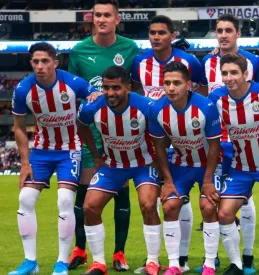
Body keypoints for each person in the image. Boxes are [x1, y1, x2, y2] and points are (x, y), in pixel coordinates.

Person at [9, 42, 99, 275]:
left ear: (55, 63)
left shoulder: (72, 83)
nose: (40, 66)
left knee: (65, 202)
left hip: (69, 150)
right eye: (36, 62)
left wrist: (95, 95)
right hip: (40, 152)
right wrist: (25, 163)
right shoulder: (22, 90)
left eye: (45, 61)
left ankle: (61, 262)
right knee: (25, 200)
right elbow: (18, 128)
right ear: (31, 64)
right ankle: (31, 262)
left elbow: (95, 96)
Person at [67, 0, 141, 271]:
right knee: (85, 193)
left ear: (117, 19)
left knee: (121, 189)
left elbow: (139, 86)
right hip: (90, 132)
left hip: (121, 132)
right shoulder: (79, 50)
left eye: (107, 15)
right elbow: (72, 91)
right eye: (97, 15)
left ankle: (119, 253)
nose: (101, 19)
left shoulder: (130, 49)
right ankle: (80, 248)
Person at [131, 15, 205, 273]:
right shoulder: (139, 62)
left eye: (161, 32)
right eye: (152, 32)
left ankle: (181, 259)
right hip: (152, 140)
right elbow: (135, 94)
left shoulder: (190, 62)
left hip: (186, 140)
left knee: (178, 200)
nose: (156, 37)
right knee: (156, 200)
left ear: (172, 35)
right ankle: (153, 258)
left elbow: (202, 95)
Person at [208, 53, 259, 275]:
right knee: (224, 214)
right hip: (240, 167)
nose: (229, 77)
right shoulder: (216, 98)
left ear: (246, 74)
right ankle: (236, 264)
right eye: (224, 73)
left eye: (234, 72)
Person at [200, 14, 259, 275]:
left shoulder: (254, 60)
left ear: (238, 33)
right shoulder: (205, 61)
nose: (224, 35)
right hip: (219, 142)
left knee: (245, 198)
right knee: (215, 202)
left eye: (229, 30)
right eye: (219, 30)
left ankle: (248, 257)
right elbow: (203, 97)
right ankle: (214, 257)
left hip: (246, 141)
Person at [77, 66, 161, 275]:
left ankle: (152, 261)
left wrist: (159, 163)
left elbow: (162, 133)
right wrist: (96, 155)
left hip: (144, 164)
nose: (110, 93)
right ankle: (98, 263)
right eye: (106, 87)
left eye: (116, 88)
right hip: (112, 165)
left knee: (148, 204)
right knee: (90, 207)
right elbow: (81, 126)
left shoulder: (147, 106)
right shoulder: (92, 108)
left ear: (128, 88)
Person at [149, 61, 222, 275]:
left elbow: (214, 147)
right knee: (169, 206)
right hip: (180, 165)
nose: (171, 88)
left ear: (188, 85)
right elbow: (160, 147)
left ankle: (209, 264)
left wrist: (207, 182)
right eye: (167, 83)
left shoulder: (206, 106)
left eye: (177, 83)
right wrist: (168, 181)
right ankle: (174, 265)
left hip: (208, 166)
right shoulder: (157, 109)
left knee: (208, 207)